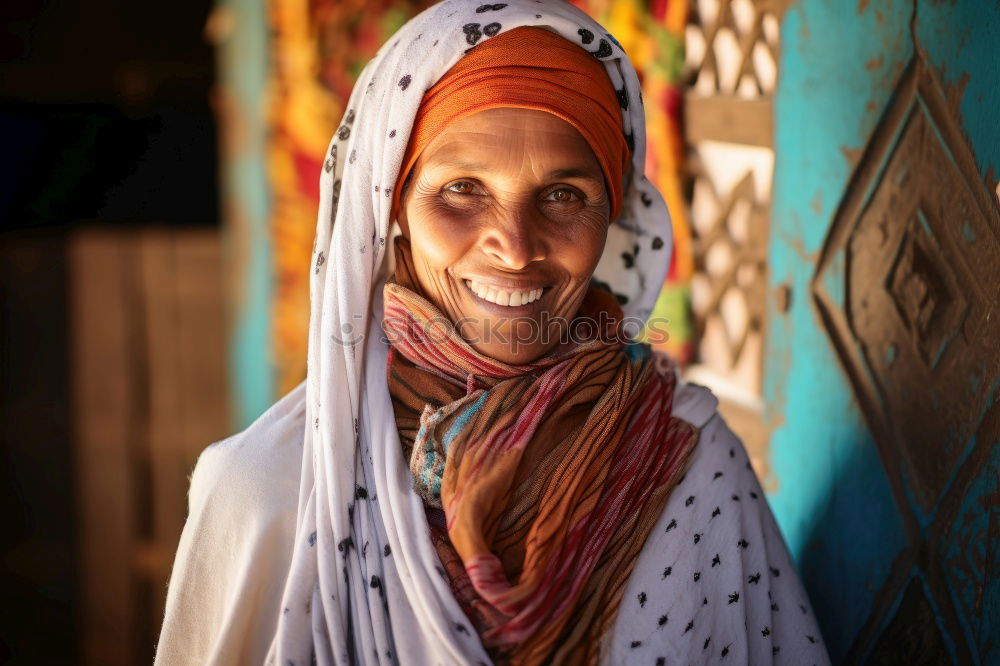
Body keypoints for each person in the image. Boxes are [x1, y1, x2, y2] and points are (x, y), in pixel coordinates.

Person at [155, 1, 830, 664]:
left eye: (563, 194)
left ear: (614, 212)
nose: (514, 247)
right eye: (462, 190)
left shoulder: (689, 463)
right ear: (389, 203)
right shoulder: (268, 494)